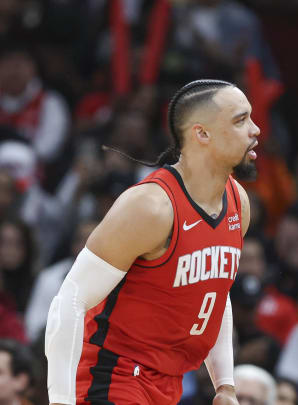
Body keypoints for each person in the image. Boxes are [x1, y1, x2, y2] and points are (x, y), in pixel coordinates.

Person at [44, 79, 261, 405]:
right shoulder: (151, 207)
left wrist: (225, 385)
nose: (255, 129)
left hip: (168, 382)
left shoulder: (237, 202)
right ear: (202, 134)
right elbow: (69, 300)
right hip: (111, 376)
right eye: (240, 120)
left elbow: (215, 293)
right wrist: (61, 401)